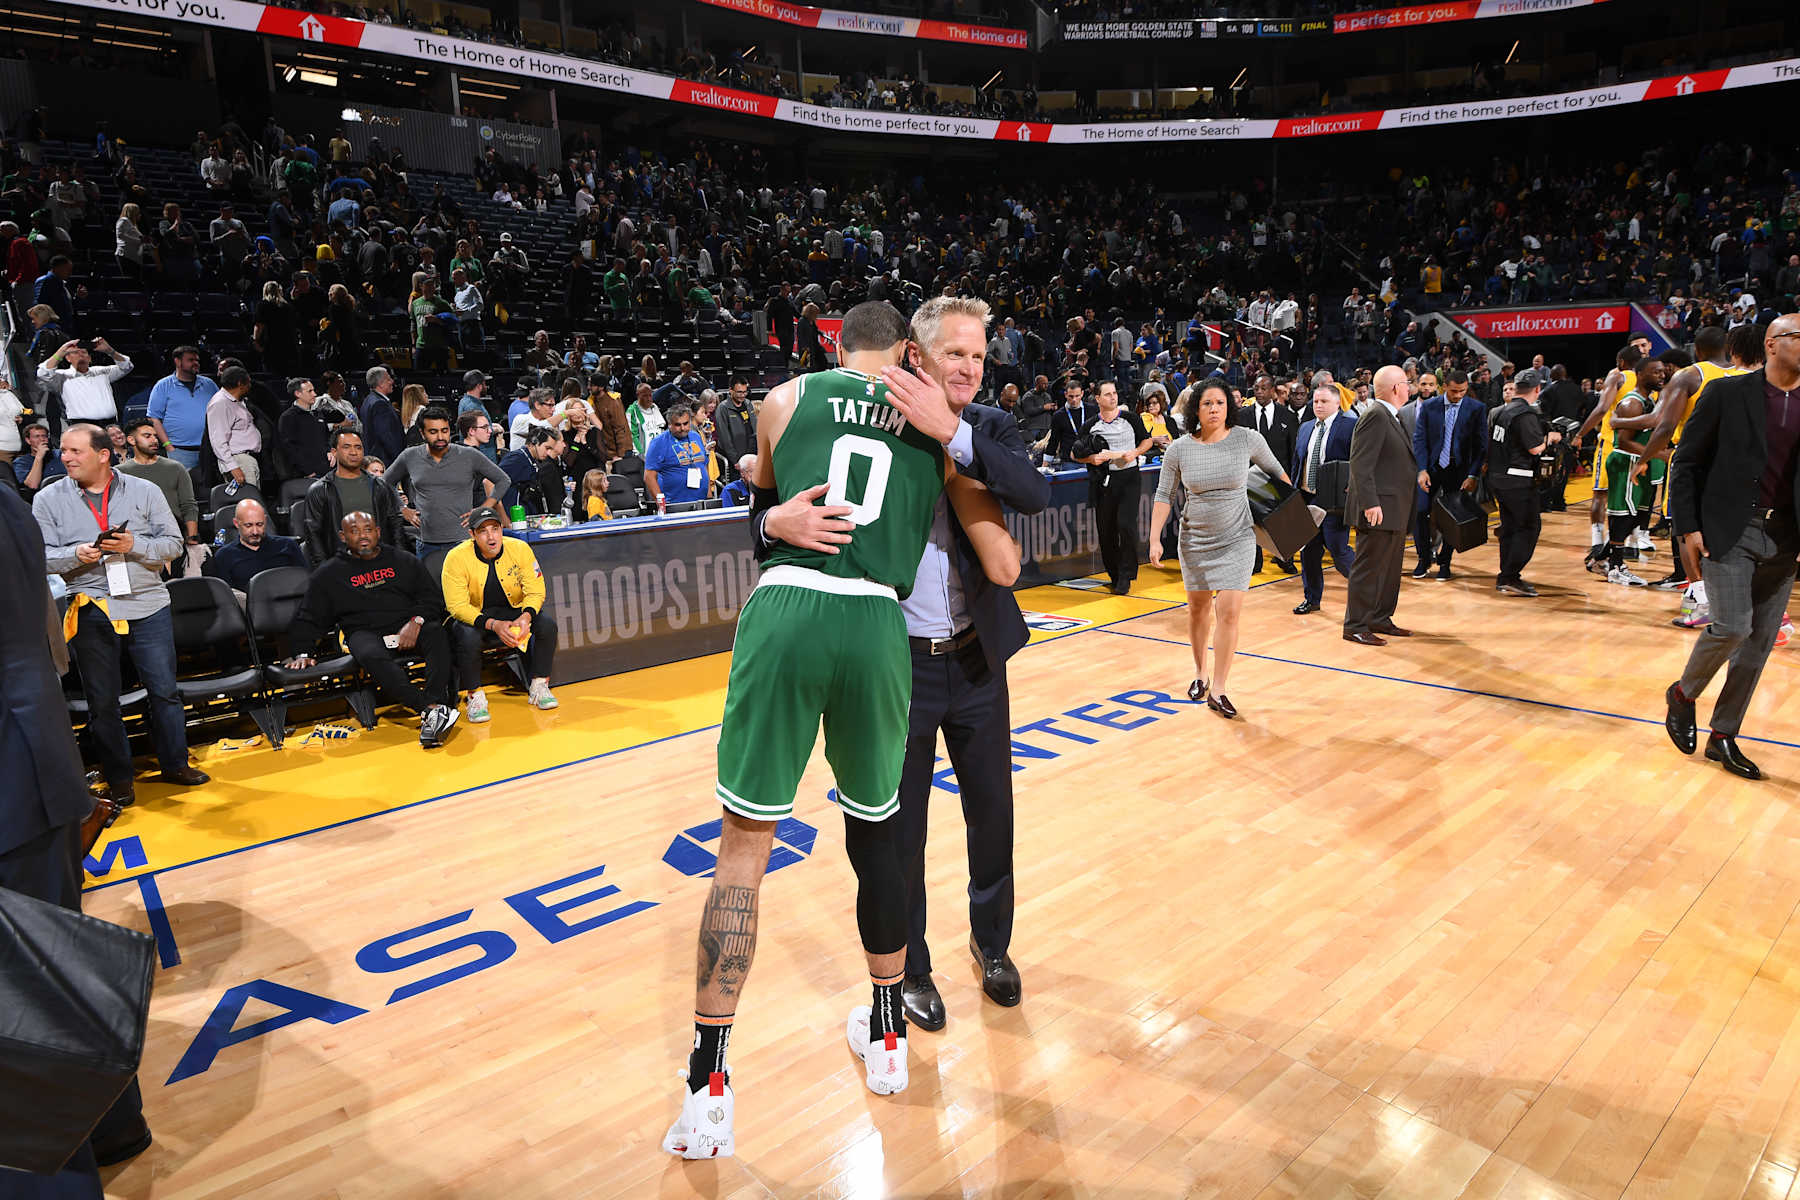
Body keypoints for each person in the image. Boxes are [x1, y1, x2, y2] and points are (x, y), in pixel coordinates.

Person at [664, 301, 1017, 1159]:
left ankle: (709, 1088)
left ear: (834, 345)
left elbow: (768, 503)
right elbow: (999, 543)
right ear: (906, 351)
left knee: (743, 851)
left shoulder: (780, 400)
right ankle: (889, 1036)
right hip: (878, 626)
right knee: (879, 838)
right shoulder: (936, 427)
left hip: (789, 608)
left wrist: (765, 521)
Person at [845, 295, 1049, 1034]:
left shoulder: (987, 427)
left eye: (978, 355)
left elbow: (1033, 490)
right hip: (896, 663)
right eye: (954, 353)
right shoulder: (868, 423)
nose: (969, 366)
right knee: (904, 829)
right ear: (917, 357)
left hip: (975, 658)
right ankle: (915, 968)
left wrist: (954, 436)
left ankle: (992, 945)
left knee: (992, 813)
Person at [0, 484, 154, 1193]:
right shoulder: (8, 498)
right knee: (54, 965)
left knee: (29, 990)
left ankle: (64, 1173)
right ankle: (114, 1125)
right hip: (29, 765)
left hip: (15, 778)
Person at [35, 423, 209, 805]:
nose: (65, 458)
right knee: (103, 702)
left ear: (102, 455)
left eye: (74, 451)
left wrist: (135, 545)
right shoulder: (48, 499)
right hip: (91, 607)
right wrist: (74, 554)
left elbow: (174, 545)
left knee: (164, 692)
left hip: (147, 604)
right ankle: (119, 780)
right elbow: (39, 556)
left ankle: (175, 764)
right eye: (63, 451)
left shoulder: (145, 491)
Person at [1664, 315, 1800, 781]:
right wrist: (1687, 528)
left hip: (1785, 536)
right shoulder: (1728, 393)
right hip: (1731, 527)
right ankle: (1683, 694)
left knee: (1759, 643)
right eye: (1798, 335)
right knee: (1733, 626)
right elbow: (1686, 463)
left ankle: (1723, 736)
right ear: (1773, 344)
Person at [1148, 379, 1289, 718]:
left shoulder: (1247, 438)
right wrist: (1154, 538)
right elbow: (1164, 495)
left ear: (1230, 407)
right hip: (1194, 539)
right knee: (1198, 610)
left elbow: (1277, 473)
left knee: (1229, 611)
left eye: (1220, 403)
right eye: (1208, 403)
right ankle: (1200, 673)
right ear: (1196, 408)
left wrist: (1292, 515)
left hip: (1238, 537)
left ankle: (1221, 689)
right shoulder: (1180, 448)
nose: (1214, 409)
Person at [281, 512, 459, 748]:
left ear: (378, 532)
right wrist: (303, 652)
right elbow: (310, 616)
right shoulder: (328, 574)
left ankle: (435, 703)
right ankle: (429, 708)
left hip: (407, 626)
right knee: (367, 652)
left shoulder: (403, 560)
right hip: (365, 632)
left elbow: (431, 599)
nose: (362, 536)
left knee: (436, 632)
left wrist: (416, 621)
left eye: (368, 529)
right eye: (354, 531)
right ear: (343, 536)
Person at [441, 505, 560, 721]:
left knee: (547, 625)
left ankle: (539, 685)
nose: (491, 537)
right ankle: (475, 696)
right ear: (472, 535)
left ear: (502, 529)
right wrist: (493, 624)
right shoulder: (455, 558)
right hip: (476, 616)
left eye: (495, 529)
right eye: (483, 531)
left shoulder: (520, 548)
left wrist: (526, 616)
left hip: (514, 610)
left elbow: (536, 590)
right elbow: (457, 606)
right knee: (466, 636)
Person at [1342, 365, 1417, 646]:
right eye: (1406, 383)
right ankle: (1356, 624)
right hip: (1378, 509)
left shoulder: (1393, 416)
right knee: (1369, 568)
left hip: (1396, 507)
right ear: (1396, 388)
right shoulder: (1375, 415)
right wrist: (1370, 502)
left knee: (1389, 569)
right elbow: (1361, 463)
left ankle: (1379, 618)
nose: (1410, 387)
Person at [384, 406, 511, 558]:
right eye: (433, 432)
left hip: (464, 542)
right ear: (422, 433)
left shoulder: (468, 455)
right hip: (427, 543)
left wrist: (482, 509)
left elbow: (503, 480)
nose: (440, 437)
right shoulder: (410, 456)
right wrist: (403, 509)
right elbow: (385, 482)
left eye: (444, 431)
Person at [1487, 368, 1564, 596]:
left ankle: (1506, 576)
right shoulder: (1525, 414)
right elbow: (1534, 447)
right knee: (1529, 527)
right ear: (1538, 389)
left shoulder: (1502, 411)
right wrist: (1550, 438)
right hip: (1518, 480)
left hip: (1499, 478)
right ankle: (1510, 575)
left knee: (1509, 528)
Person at [1595, 359, 1669, 589]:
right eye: (1655, 372)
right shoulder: (1631, 404)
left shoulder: (1650, 401)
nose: (1661, 376)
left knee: (1638, 517)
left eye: (1662, 372)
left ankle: (1600, 557)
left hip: (1641, 462)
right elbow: (1625, 442)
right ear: (1639, 374)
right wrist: (1661, 455)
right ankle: (1616, 568)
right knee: (1622, 515)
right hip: (1626, 462)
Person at [1074, 380, 1153, 595]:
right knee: (1106, 530)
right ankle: (1115, 574)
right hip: (1104, 481)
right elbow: (1074, 453)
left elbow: (1147, 441)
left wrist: (1135, 453)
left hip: (1129, 477)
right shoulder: (1091, 424)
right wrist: (1091, 459)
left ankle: (1126, 575)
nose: (1113, 397)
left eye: (1114, 393)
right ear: (1097, 398)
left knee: (1126, 525)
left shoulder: (1130, 419)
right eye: (1107, 394)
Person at [1410, 368, 1486, 581]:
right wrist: (1421, 469)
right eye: (1454, 391)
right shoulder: (1429, 407)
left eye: (1462, 391)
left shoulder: (1476, 408)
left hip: (1459, 471)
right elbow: (1420, 439)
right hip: (1431, 468)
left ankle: (1445, 561)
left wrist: (1473, 474)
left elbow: (1481, 446)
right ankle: (1423, 559)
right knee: (1420, 512)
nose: (1458, 395)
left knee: (1454, 517)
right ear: (1444, 388)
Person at [1292, 384, 1357, 616]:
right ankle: (1312, 599)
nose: (1318, 405)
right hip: (1306, 497)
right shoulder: (1305, 427)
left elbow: (1358, 462)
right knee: (1308, 552)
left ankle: (1366, 589)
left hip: (1333, 499)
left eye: (1324, 402)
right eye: (1316, 401)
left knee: (1337, 548)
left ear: (1337, 403)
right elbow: (1298, 462)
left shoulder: (1350, 426)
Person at [300, 428, 405, 562]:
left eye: (358, 447)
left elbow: (395, 524)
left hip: (379, 561)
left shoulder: (380, 486)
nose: (353, 452)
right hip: (341, 564)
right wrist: (323, 570)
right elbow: (313, 534)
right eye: (346, 447)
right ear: (334, 452)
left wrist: (399, 560)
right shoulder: (320, 490)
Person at [117, 416, 201, 573]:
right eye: (147, 436)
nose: (155, 440)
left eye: (155, 436)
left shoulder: (175, 468)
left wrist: (191, 539)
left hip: (175, 540)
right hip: (137, 542)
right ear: (131, 440)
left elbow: (189, 506)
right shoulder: (121, 473)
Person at [202, 498, 308, 594]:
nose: (255, 531)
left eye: (259, 524)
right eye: (248, 525)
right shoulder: (224, 556)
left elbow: (305, 582)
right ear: (236, 523)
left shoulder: (287, 545)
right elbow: (227, 599)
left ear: (265, 520)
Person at [36, 336, 133, 425]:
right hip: (82, 425)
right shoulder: (62, 376)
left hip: (110, 424)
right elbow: (43, 374)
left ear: (89, 358)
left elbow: (126, 367)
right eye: (75, 352)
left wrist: (110, 351)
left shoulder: (101, 371)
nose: (80, 354)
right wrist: (62, 351)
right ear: (68, 358)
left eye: (84, 352)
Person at [643, 403, 712, 507]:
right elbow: (649, 476)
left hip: (701, 502)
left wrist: (709, 494)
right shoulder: (658, 442)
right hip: (674, 504)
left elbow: (704, 464)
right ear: (669, 424)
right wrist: (661, 505)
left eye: (685, 423)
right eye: (678, 425)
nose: (682, 428)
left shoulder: (695, 436)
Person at [206, 364, 261, 487]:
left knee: (254, 500)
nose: (250, 385)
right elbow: (218, 440)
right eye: (248, 382)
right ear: (240, 383)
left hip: (246, 460)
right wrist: (233, 467)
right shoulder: (220, 403)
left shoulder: (238, 400)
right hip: (239, 461)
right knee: (248, 501)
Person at [499, 426, 566, 516]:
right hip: (513, 518)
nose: (548, 452)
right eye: (547, 448)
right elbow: (490, 482)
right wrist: (505, 520)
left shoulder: (532, 460)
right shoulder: (517, 459)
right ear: (534, 443)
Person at [278, 376, 333, 479]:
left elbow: (326, 438)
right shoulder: (288, 417)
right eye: (310, 391)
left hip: (326, 471)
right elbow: (289, 448)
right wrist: (307, 470)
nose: (315, 394)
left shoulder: (318, 414)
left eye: (314, 390)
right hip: (306, 475)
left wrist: (330, 451)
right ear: (298, 394)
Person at [359, 366, 405, 466]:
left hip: (376, 459)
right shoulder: (379, 404)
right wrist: (400, 460)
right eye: (389, 379)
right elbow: (387, 437)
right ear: (381, 383)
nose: (392, 382)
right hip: (385, 461)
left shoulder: (369, 400)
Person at [13, 421, 66, 498]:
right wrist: (39, 457)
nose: (42, 439)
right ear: (28, 440)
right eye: (37, 436)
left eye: (44, 436)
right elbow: (33, 485)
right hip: (42, 499)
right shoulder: (21, 462)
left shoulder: (60, 455)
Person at [627, 381, 666, 455]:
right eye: (645, 396)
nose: (649, 399)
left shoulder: (654, 407)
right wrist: (640, 454)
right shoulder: (632, 411)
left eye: (650, 395)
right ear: (638, 396)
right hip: (644, 454)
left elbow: (661, 429)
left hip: (658, 452)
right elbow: (632, 436)